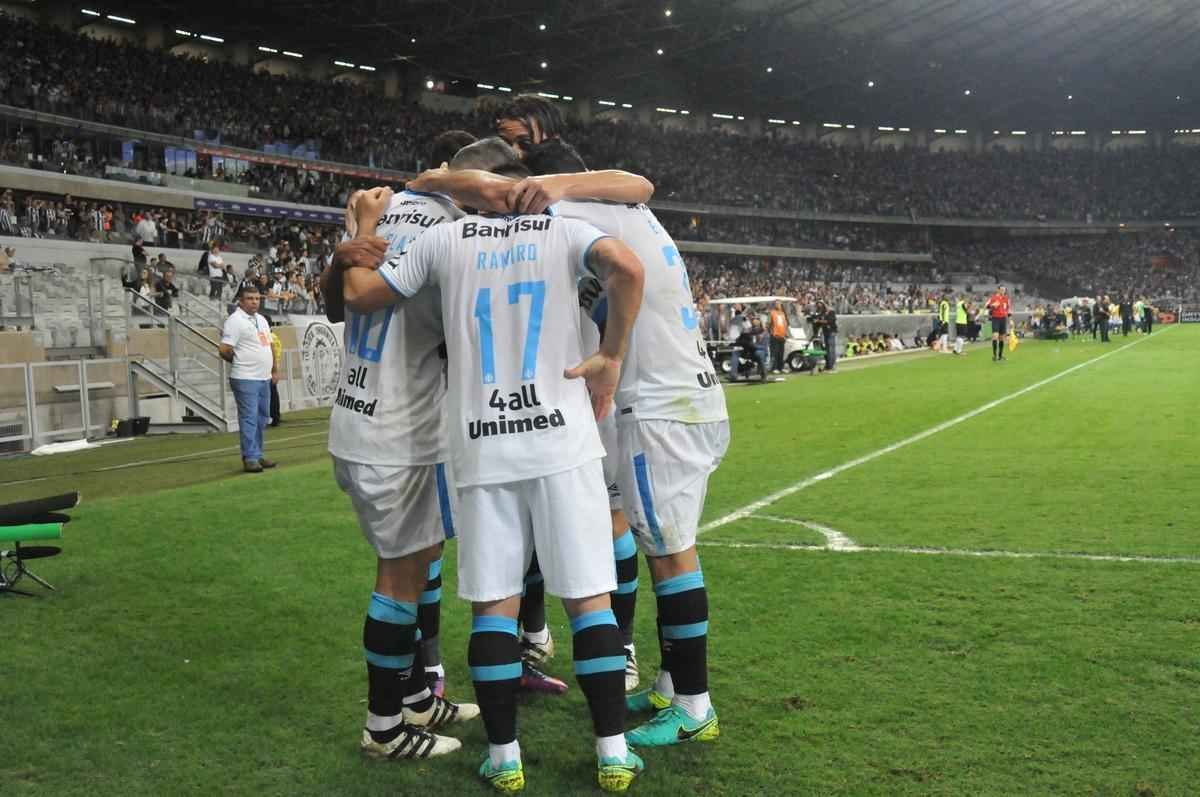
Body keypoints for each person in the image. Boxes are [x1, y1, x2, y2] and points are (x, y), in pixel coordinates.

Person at [341, 177, 648, 793]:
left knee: (494, 605)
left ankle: (505, 760)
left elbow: (362, 293)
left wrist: (360, 233)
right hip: (561, 439)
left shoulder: (445, 239)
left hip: (482, 442)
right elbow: (625, 267)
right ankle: (612, 752)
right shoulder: (562, 231)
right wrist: (611, 356)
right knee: (590, 598)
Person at [320, 160, 482, 764]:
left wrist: (350, 242)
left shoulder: (380, 213)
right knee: (400, 576)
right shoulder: (451, 232)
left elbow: (339, 307)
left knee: (418, 560)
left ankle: (415, 694)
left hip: (358, 418)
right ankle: (384, 727)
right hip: (402, 434)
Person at [218, 285, 278, 473]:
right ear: (241, 301)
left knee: (262, 418)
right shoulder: (235, 321)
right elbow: (224, 348)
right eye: (250, 299)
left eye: (257, 298)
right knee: (249, 418)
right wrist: (240, 363)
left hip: (264, 377)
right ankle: (250, 457)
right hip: (245, 378)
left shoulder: (261, 319)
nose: (254, 302)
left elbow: (269, 345)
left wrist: (274, 369)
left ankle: (257, 454)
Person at [731, 316, 768, 381]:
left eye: (756, 319)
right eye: (753, 319)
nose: (754, 321)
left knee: (759, 353)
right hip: (748, 351)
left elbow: (764, 347)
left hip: (758, 351)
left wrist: (753, 346)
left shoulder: (764, 332)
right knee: (735, 353)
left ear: (759, 321)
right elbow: (739, 341)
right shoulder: (747, 331)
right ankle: (733, 375)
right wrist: (737, 342)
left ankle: (764, 374)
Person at [986, 286, 1011, 361]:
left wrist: (1010, 319)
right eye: (1001, 290)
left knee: (1002, 338)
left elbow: (1008, 310)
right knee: (995, 336)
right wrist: (992, 305)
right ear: (998, 290)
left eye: (1004, 290)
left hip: (1003, 319)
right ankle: (994, 355)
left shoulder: (1006, 299)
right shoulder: (993, 298)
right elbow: (986, 306)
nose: (1003, 291)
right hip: (995, 318)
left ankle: (1000, 355)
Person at [814, 300, 838, 372]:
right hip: (826, 332)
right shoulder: (822, 313)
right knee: (828, 349)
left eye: (821, 305)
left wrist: (819, 321)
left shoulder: (831, 312)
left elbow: (830, 321)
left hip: (831, 331)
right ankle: (828, 365)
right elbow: (820, 321)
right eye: (818, 305)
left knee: (831, 349)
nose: (820, 307)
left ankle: (831, 365)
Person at [768, 300, 788, 373]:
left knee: (781, 353)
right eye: (777, 304)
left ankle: (780, 367)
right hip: (775, 335)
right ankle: (774, 368)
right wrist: (771, 333)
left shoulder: (782, 313)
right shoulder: (772, 313)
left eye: (779, 304)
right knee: (774, 353)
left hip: (782, 335)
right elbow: (769, 324)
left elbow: (785, 324)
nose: (778, 305)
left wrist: (785, 334)